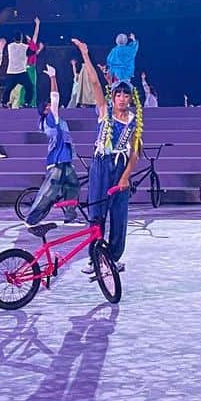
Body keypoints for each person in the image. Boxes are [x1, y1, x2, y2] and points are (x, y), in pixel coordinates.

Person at [72, 38, 141, 272]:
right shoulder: (104, 112)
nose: (122, 98)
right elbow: (94, 83)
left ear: (130, 98)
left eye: (125, 95)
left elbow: (135, 153)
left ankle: (112, 257)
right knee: (96, 213)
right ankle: (95, 258)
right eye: (118, 95)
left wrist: (125, 177)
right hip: (101, 165)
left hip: (120, 168)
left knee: (119, 216)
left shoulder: (134, 121)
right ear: (114, 97)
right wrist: (85, 54)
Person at [24, 66, 82, 229]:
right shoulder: (51, 119)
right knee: (49, 192)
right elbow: (55, 97)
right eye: (49, 106)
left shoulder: (54, 121)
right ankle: (31, 218)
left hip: (65, 160)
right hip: (57, 162)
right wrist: (53, 78)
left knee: (73, 186)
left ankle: (70, 216)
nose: (52, 106)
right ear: (45, 110)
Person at [1, 25, 34, 107]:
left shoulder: (9, 46)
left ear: (14, 39)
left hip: (11, 72)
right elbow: (33, 52)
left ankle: (4, 102)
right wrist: (30, 41)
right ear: (22, 38)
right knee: (29, 87)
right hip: (22, 72)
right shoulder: (25, 47)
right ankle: (27, 103)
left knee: (8, 88)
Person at [25, 18, 43, 107]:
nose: (29, 37)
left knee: (34, 85)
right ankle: (25, 102)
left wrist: (37, 24)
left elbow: (35, 35)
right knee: (27, 86)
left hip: (33, 67)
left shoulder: (32, 44)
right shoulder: (24, 47)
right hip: (27, 67)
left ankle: (32, 103)